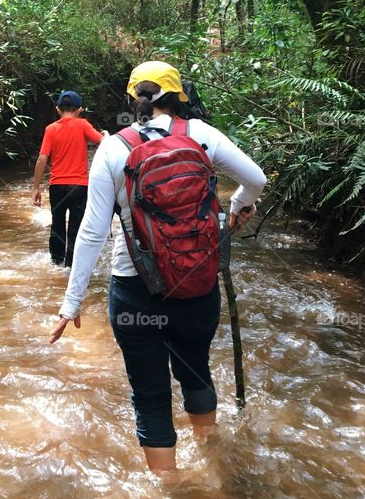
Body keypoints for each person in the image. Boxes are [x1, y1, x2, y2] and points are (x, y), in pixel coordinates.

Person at [48, 61, 267, 475]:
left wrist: (71, 303)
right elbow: (255, 178)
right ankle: (212, 459)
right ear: (178, 95)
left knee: (149, 395)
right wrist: (237, 208)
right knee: (196, 371)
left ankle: (171, 493)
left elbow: (92, 234)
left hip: (135, 290)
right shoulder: (202, 136)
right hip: (196, 285)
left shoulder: (114, 149)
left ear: (134, 99)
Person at [33, 90, 107, 267]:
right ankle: (71, 265)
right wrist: (105, 133)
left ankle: (56, 261)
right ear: (79, 109)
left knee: (57, 225)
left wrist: (36, 188)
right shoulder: (83, 125)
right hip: (79, 186)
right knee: (76, 227)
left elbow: (42, 158)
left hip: (57, 186)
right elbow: (102, 142)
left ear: (58, 109)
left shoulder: (50, 129)